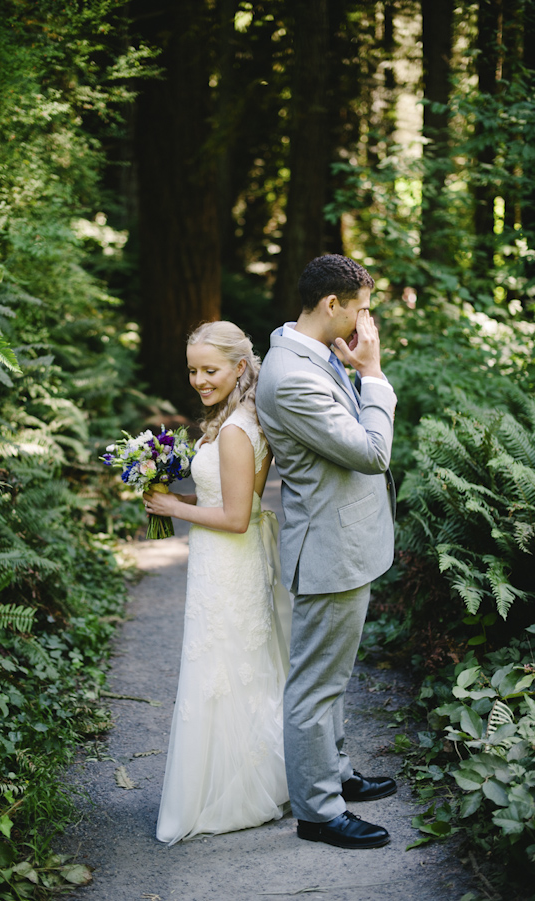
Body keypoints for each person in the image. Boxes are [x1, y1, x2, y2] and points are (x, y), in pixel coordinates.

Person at [255, 253, 397, 850]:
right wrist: (377, 375)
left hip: (348, 541)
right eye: (362, 310)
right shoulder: (291, 377)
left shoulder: (314, 353)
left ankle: (335, 774)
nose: (368, 324)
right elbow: (371, 451)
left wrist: (357, 369)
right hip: (327, 550)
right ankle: (317, 811)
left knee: (332, 678)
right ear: (331, 304)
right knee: (314, 685)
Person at [144, 320, 291, 846]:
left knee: (222, 665)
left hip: (227, 558)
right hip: (231, 558)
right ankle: (253, 773)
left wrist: (171, 506)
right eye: (193, 370)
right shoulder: (243, 416)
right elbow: (238, 505)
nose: (200, 379)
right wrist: (180, 499)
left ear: (239, 367)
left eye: (210, 369)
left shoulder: (232, 431)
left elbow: (233, 516)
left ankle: (231, 791)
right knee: (237, 666)